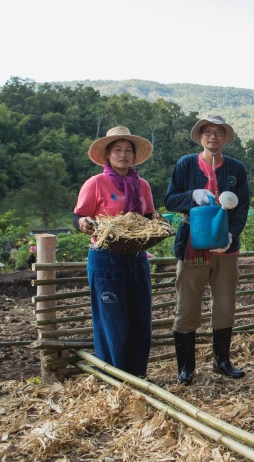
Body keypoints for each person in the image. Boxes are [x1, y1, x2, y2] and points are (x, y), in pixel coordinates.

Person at [165, 114, 250, 385]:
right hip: (193, 243)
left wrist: (231, 234)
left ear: (225, 137)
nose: (213, 136)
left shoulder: (236, 169)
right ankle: (186, 367)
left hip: (226, 248)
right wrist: (192, 195)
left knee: (225, 303)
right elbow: (170, 200)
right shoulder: (186, 164)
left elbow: (242, 207)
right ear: (200, 136)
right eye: (208, 132)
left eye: (219, 132)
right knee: (188, 303)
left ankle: (222, 362)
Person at [73, 126, 156, 377]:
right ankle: (115, 378)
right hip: (106, 258)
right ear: (108, 155)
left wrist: (157, 224)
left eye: (128, 150)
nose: (123, 155)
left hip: (137, 258)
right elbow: (79, 216)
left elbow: (148, 218)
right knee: (112, 320)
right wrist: (84, 223)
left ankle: (137, 375)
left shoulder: (142, 186)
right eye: (117, 150)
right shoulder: (96, 183)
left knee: (140, 317)